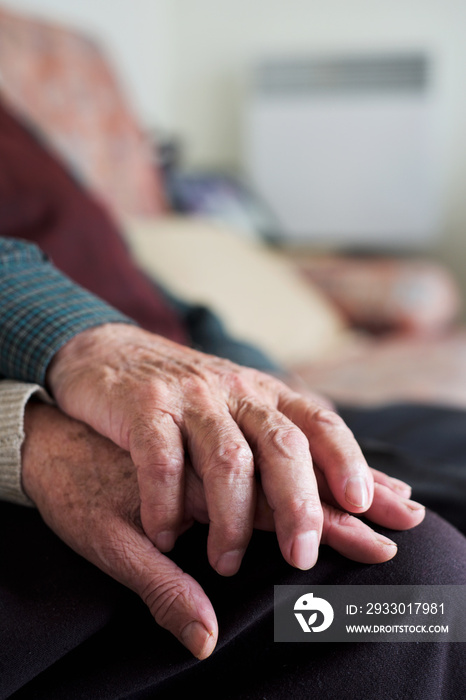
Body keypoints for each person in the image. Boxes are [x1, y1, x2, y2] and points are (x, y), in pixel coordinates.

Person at [0, 99, 465, 699]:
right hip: (59, 441)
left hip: (191, 383)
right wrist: (24, 429)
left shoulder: (21, 126)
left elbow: (160, 298)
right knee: (410, 595)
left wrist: (274, 385)